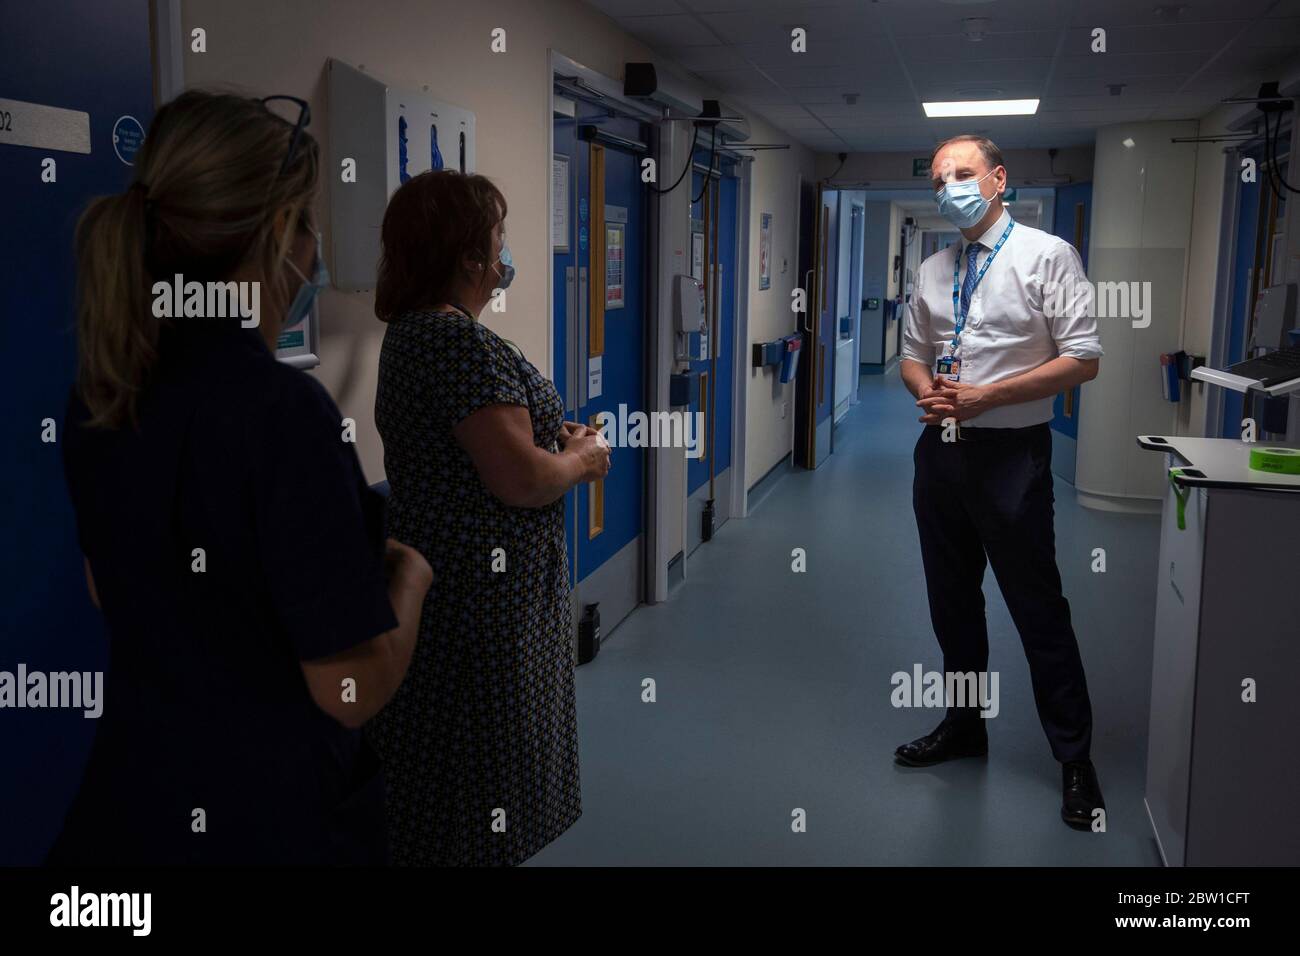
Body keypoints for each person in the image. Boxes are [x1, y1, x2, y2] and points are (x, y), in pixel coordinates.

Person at [50, 90, 432, 865]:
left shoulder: (105, 392)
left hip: (129, 814)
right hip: (263, 824)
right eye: (307, 222)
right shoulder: (282, 413)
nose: (315, 252)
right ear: (277, 233)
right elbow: (347, 689)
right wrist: (411, 577)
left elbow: (106, 586)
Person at [367, 170, 609, 866]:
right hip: (483, 606)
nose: (505, 254)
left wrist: (544, 434)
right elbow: (522, 480)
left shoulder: (412, 336)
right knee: (478, 787)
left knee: (442, 782)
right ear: (470, 256)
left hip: (446, 592)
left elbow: (473, 448)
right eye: (497, 239)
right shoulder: (460, 344)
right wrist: (585, 460)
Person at [896, 134, 1106, 830]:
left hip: (1013, 453)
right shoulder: (931, 268)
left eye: (963, 173)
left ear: (998, 179)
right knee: (953, 604)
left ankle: (1074, 758)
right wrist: (930, 393)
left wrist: (989, 397)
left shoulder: (1047, 256)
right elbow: (913, 357)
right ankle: (964, 725)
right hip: (943, 452)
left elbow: (1082, 358)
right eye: (937, 179)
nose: (950, 186)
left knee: (1037, 609)